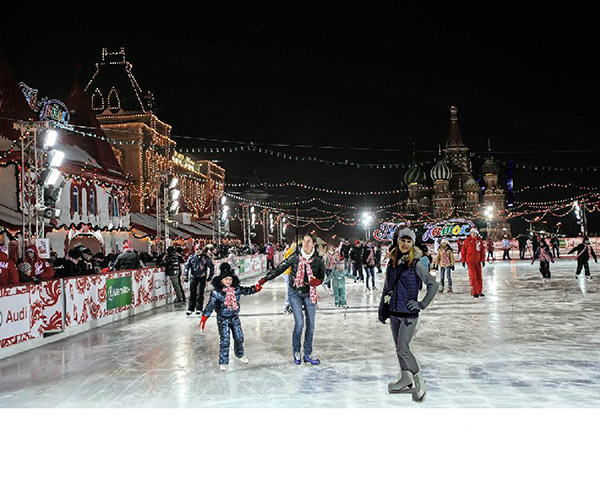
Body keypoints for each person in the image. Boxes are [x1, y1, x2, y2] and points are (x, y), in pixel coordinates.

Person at [378, 228, 437, 402]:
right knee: (398, 348)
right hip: (394, 312)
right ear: (398, 242)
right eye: (403, 241)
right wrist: (383, 309)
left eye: (409, 241)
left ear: (412, 244)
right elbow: (387, 288)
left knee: (403, 348)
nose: (405, 244)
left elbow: (433, 285)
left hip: (409, 314)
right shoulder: (392, 262)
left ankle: (419, 380)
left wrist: (421, 304)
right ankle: (405, 378)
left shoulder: (416, 263)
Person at [259, 233, 325, 365]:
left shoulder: (318, 260)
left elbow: (321, 277)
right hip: (294, 293)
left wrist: (316, 282)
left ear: (313, 244)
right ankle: (296, 350)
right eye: (305, 241)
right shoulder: (295, 257)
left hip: (309, 293)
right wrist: (265, 279)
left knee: (311, 325)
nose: (306, 244)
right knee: (299, 323)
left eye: (309, 242)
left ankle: (307, 354)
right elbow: (280, 268)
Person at [200, 262, 262, 371]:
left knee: (239, 337)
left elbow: (246, 290)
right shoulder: (216, 293)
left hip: (235, 317)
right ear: (221, 280)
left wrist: (255, 288)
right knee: (225, 340)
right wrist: (204, 317)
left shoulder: (236, 289)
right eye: (226, 280)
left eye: (230, 279)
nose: (228, 282)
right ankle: (223, 361)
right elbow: (210, 305)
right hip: (223, 319)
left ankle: (240, 354)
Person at [184, 244, 215, 315]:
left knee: (200, 293)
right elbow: (186, 266)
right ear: (194, 250)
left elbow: (211, 267)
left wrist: (210, 276)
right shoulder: (191, 258)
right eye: (197, 249)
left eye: (200, 249)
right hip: (193, 277)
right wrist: (185, 275)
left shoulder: (205, 258)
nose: (198, 251)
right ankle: (190, 309)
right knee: (192, 292)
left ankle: (199, 308)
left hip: (202, 277)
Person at [461, 229, 486, 298]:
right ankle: (474, 292)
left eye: (474, 233)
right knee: (473, 276)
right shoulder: (467, 241)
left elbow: (482, 251)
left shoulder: (479, 241)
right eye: (472, 233)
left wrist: (483, 260)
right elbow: (463, 251)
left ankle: (479, 291)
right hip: (470, 261)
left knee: (479, 277)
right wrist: (463, 260)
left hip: (477, 261)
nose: (473, 234)